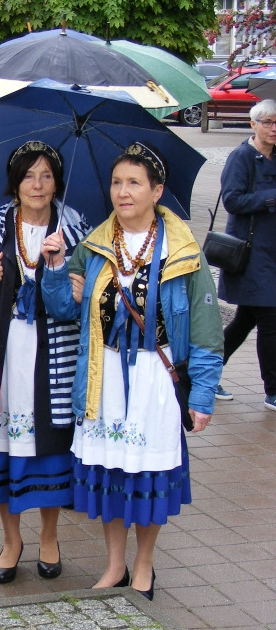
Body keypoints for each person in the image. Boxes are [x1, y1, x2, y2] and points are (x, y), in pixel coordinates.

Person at [40, 142, 224, 600]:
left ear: (157, 190)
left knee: (148, 477)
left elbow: (204, 326)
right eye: (117, 182)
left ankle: (144, 566)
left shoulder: (182, 252)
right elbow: (63, 308)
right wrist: (58, 266)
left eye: (134, 183)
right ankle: (115, 565)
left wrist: (202, 395)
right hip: (104, 378)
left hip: (154, 380)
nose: (123, 192)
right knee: (112, 473)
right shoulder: (96, 246)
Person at [0, 141, 92, 584]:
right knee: (3, 443)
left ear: (58, 182)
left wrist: (59, 266)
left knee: (51, 442)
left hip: (56, 353)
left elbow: (80, 305)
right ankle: (11, 538)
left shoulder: (78, 232)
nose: (37, 185)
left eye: (47, 175)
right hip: (4, 352)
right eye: (27, 175)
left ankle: (50, 535)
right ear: (14, 183)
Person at [215, 99, 276, 410]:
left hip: (272, 252)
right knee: (270, 317)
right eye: (267, 122)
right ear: (253, 124)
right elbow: (233, 200)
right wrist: (269, 197)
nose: (273, 128)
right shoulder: (241, 157)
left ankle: (204, 375)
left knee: (246, 320)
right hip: (251, 255)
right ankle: (273, 389)